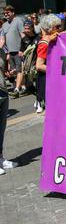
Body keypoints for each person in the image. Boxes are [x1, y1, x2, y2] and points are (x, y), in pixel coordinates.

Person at [35, 14, 62, 114]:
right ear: (50, 28)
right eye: (57, 27)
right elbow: (39, 66)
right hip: (47, 81)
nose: (60, 29)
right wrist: (58, 70)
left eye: (60, 26)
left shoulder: (55, 39)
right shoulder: (44, 43)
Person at [0, 46, 18, 175]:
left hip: (3, 90)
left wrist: (7, 71)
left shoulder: (1, 50)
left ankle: (0, 158)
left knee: (1, 127)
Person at [1, 5, 26, 98]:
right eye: (4, 13)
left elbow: (23, 35)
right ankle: (23, 86)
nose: (6, 14)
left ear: (13, 12)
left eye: (7, 12)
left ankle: (16, 89)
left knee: (19, 70)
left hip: (18, 50)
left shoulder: (18, 21)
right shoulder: (4, 25)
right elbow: (2, 40)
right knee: (15, 71)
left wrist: (22, 49)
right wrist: (5, 51)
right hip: (10, 52)